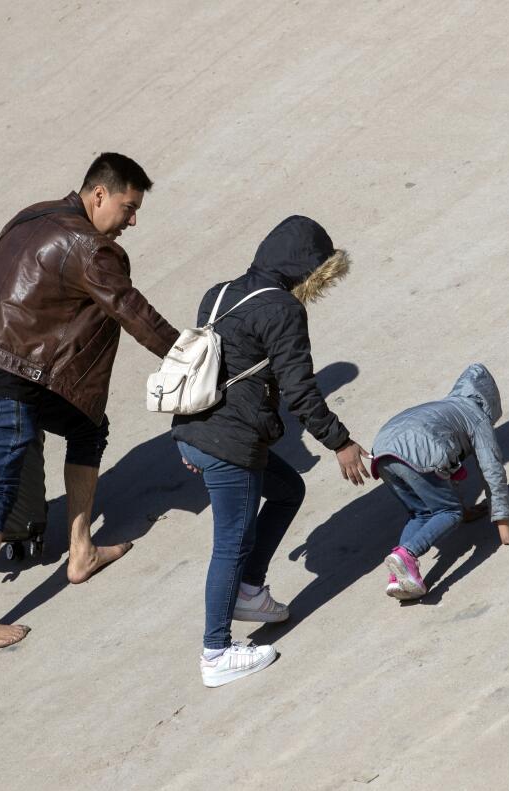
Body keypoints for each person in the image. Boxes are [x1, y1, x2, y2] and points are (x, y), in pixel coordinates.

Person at [0, 153, 180, 650]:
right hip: (10, 372)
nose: (132, 220)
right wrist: (187, 354)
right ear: (99, 195)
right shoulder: (91, 249)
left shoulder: (34, 214)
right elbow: (131, 311)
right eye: (128, 207)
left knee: (87, 426)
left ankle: (81, 550)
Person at [171, 215, 370, 687]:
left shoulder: (217, 293)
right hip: (229, 443)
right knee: (230, 544)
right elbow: (301, 391)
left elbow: (204, 367)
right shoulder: (282, 310)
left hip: (195, 431)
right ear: (308, 270)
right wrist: (340, 442)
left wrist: (192, 435)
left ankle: (249, 590)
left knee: (286, 490)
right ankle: (216, 653)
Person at [370, 363, 509, 601]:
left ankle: (399, 578)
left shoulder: (445, 407)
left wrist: (467, 510)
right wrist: (506, 531)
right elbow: (492, 471)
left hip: (382, 450)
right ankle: (407, 554)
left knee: (420, 513)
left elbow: (443, 463)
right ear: (490, 400)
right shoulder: (476, 416)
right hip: (414, 450)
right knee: (448, 511)